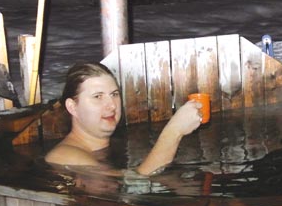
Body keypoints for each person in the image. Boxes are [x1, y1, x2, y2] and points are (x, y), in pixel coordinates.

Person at [45, 62, 203, 175]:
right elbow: (136, 183)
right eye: (98, 96)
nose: (111, 105)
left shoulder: (114, 144)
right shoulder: (64, 156)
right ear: (72, 107)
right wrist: (174, 131)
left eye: (114, 94)